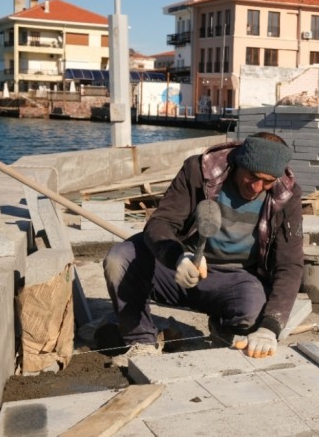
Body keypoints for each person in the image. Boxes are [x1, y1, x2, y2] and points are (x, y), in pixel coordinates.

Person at [103, 132, 304, 367]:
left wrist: (270, 327)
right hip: (181, 268)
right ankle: (142, 341)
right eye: (252, 176)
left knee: (255, 310)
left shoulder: (286, 196)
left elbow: (290, 264)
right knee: (120, 259)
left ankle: (223, 327)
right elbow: (161, 222)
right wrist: (177, 256)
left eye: (267, 181)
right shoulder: (199, 171)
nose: (257, 187)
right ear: (240, 162)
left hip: (234, 280)